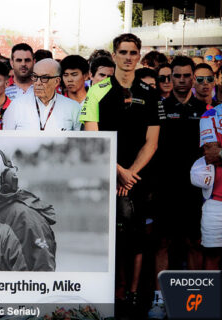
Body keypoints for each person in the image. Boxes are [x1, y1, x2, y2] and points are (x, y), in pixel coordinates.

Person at [81, 33, 160, 314]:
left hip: (136, 178)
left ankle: (134, 294)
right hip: (104, 175)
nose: (128, 57)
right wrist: (118, 172)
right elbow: (92, 137)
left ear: (139, 56)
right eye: (123, 52)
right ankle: (110, 292)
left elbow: (152, 142)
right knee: (106, 238)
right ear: (114, 55)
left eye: (133, 52)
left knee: (136, 237)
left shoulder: (150, 94)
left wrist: (130, 175)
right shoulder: (96, 91)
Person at [149, 55, 208, 319]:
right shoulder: (159, 108)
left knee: (194, 243)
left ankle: (193, 302)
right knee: (162, 242)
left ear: (193, 78)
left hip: (195, 190)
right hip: (165, 187)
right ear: (169, 78)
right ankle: (159, 300)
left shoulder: (206, 109)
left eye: (187, 75)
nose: (182, 80)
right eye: (177, 76)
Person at [3, 58, 80, 131]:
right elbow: (6, 139)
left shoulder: (73, 108)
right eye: (35, 77)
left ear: (56, 81)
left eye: (44, 78)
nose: (38, 83)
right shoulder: (16, 106)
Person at [195, 105, 222, 270]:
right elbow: (211, 154)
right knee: (212, 257)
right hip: (216, 203)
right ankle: (210, 296)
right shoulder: (210, 115)